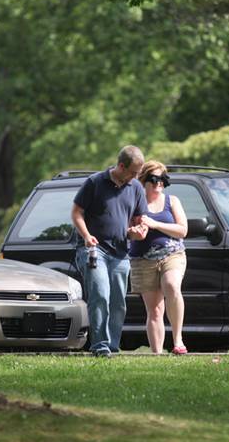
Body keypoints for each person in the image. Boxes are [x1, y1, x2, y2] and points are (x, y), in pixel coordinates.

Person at [71, 145, 148, 357]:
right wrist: (86, 236)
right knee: (100, 295)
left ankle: (112, 346)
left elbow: (140, 220)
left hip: (121, 253)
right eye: (133, 172)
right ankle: (101, 346)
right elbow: (76, 212)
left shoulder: (136, 188)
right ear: (121, 166)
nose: (135, 177)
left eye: (138, 173)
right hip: (94, 250)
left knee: (117, 302)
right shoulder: (95, 183)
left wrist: (139, 231)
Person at [129, 161, 188, 354]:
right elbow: (127, 229)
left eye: (163, 179)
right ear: (143, 180)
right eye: (154, 179)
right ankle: (157, 354)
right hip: (142, 259)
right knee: (154, 310)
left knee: (171, 285)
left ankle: (178, 340)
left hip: (172, 254)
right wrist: (135, 232)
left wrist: (155, 224)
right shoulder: (135, 202)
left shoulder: (172, 201)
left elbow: (182, 230)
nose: (159, 183)